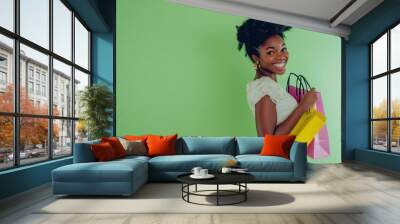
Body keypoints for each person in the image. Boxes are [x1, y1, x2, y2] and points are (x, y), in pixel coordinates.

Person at [236, 19, 318, 137]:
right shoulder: (264, 88)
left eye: (283, 49)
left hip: (290, 154)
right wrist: (303, 106)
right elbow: (268, 140)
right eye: (271, 52)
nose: (281, 56)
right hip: (281, 156)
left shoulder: (270, 85)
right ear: (256, 58)